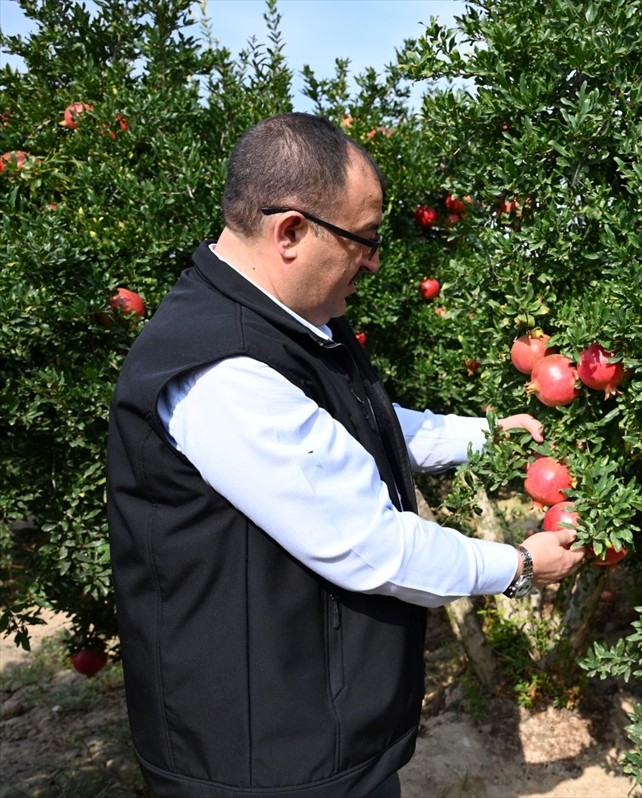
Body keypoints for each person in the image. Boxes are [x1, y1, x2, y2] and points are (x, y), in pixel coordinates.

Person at [106, 111, 584, 798]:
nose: (374, 260)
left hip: (320, 738)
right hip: (263, 763)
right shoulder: (222, 373)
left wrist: (487, 435)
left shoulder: (291, 327)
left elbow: (363, 420)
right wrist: (516, 566)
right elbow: (369, 546)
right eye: (363, 240)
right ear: (291, 231)